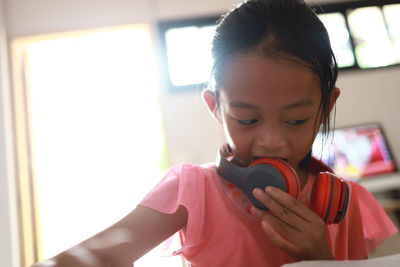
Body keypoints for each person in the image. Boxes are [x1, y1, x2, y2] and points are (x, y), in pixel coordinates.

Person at [32, 0, 398, 266]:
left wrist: (320, 260)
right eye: (247, 120)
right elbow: (95, 256)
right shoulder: (192, 190)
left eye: (296, 120)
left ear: (326, 107)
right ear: (215, 107)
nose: (271, 141)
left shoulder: (350, 205)